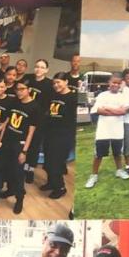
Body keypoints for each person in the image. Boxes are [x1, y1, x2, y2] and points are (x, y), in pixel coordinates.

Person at [85, 74, 129, 189]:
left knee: (117, 153)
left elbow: (123, 111)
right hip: (103, 130)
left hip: (117, 130)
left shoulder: (123, 97)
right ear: (109, 83)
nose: (115, 85)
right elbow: (99, 110)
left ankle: (119, 170)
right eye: (113, 82)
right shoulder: (102, 95)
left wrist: (108, 108)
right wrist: (116, 110)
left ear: (121, 84)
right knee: (98, 154)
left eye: (118, 83)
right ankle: (94, 175)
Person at [0, 80, 38, 215]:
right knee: (7, 169)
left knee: (18, 173)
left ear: (29, 89)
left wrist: (24, 151)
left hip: (19, 144)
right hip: (7, 141)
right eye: (17, 89)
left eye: (22, 89)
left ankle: (19, 198)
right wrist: (1, 139)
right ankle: (10, 190)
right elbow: (7, 121)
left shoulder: (34, 107)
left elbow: (31, 132)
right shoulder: (14, 102)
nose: (19, 92)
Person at [40, 71, 76, 199]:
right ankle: (51, 182)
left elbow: (72, 121)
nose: (56, 85)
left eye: (58, 82)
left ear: (66, 82)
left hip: (62, 136)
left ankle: (60, 188)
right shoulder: (54, 95)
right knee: (48, 161)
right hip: (50, 134)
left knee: (55, 163)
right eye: (54, 83)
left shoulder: (72, 98)